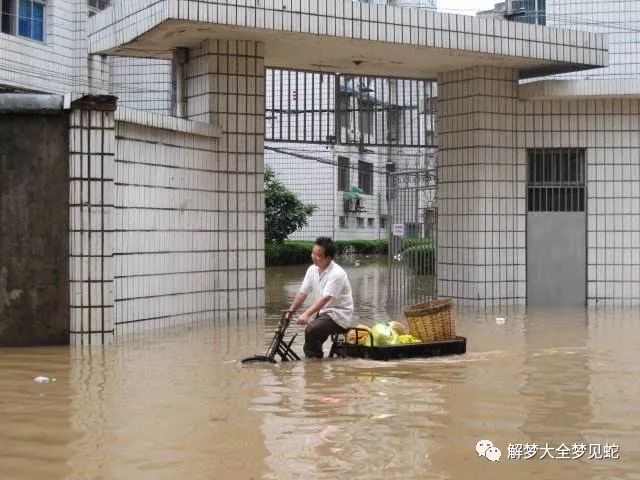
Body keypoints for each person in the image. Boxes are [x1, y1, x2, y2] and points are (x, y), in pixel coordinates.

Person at [286, 237, 355, 358]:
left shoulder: (337, 273)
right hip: (324, 312)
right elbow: (302, 293)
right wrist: (291, 311)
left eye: (318, 255)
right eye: (313, 253)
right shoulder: (312, 270)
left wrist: (306, 314)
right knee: (313, 338)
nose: (313, 257)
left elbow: (325, 298)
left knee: (312, 330)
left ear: (328, 257)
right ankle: (315, 361)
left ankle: (314, 365)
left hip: (339, 314)